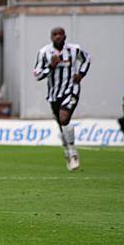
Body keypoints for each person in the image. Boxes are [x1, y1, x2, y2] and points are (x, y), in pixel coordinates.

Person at [34, 27, 90, 171]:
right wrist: (51, 66)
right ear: (51, 37)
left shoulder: (74, 49)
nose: (58, 36)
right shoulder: (44, 52)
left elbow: (87, 58)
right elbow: (38, 74)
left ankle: (73, 154)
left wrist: (81, 74)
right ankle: (67, 151)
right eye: (55, 34)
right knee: (62, 125)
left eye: (60, 34)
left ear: (65, 36)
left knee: (64, 119)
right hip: (54, 94)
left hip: (71, 90)